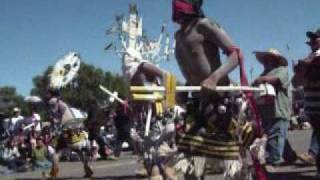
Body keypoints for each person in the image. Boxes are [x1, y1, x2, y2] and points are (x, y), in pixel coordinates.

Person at [172, 0, 251, 179]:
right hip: (197, 100)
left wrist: (214, 78)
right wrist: (184, 90)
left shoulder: (204, 25)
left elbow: (236, 54)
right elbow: (193, 69)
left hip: (220, 99)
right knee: (191, 156)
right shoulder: (178, 36)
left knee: (231, 160)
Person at [253, 48, 297, 167]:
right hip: (266, 111)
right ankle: (290, 155)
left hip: (278, 109)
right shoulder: (263, 74)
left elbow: (277, 80)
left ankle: (274, 160)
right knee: (276, 134)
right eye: (265, 59)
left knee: (275, 134)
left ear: (275, 60)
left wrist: (261, 80)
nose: (266, 61)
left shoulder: (281, 70)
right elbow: (255, 84)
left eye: (269, 59)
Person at [292, 28, 320, 179]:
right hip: (312, 104)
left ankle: (312, 153)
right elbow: (296, 82)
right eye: (312, 39)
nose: (313, 41)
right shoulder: (309, 57)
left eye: (316, 38)